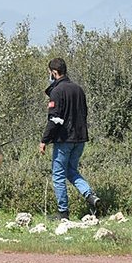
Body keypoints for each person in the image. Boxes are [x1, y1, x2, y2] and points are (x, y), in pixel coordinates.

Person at [39, 57, 100, 220]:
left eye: (49, 73)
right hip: (80, 139)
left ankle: (63, 213)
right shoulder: (78, 89)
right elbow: (84, 113)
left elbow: (54, 119)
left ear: (54, 72)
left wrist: (44, 140)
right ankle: (90, 196)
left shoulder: (57, 91)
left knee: (58, 175)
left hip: (64, 140)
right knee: (71, 171)